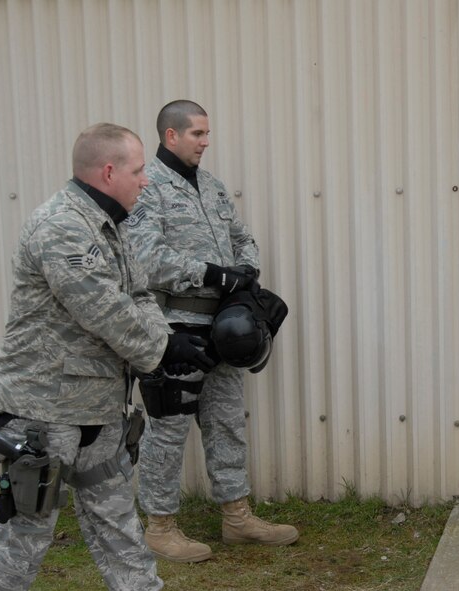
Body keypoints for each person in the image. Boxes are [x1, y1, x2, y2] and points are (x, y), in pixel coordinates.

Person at [0, 123, 215, 591]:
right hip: (43, 413)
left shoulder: (116, 225)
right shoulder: (61, 226)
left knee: (119, 528)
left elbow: (138, 293)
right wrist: (162, 349)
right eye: (137, 171)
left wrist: (164, 338)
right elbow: (103, 308)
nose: (145, 180)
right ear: (108, 172)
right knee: (24, 537)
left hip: (100, 412)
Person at [127, 99, 298, 564]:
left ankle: (236, 517)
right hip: (174, 327)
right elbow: (147, 259)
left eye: (207, 133)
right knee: (169, 427)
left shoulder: (214, 187)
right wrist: (214, 274)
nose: (206, 141)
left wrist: (245, 270)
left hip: (225, 326)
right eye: (198, 134)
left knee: (225, 420)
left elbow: (244, 238)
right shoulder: (147, 189)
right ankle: (159, 526)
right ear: (171, 136)